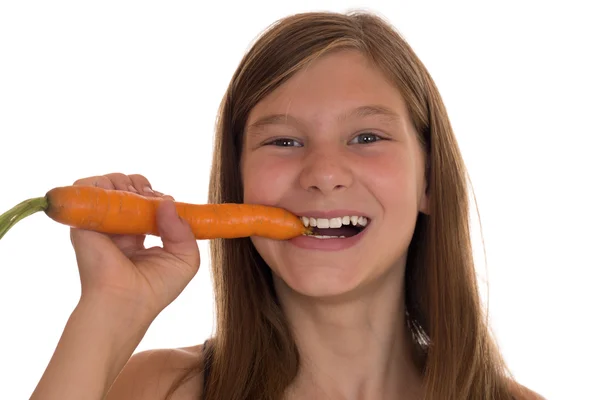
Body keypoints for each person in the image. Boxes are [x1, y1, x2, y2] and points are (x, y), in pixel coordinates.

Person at [29, 10, 545, 400]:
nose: (323, 174)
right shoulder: (164, 390)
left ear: (429, 181)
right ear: (239, 185)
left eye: (366, 136)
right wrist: (109, 310)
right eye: (283, 142)